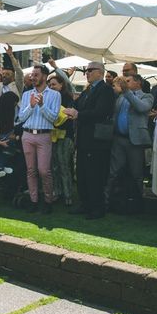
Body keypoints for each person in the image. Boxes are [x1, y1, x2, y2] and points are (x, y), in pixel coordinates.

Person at [65, 61, 115, 219]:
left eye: (90, 70)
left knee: (95, 175)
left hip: (97, 140)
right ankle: (85, 203)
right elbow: (77, 105)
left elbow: (101, 111)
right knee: (82, 173)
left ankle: (97, 207)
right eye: (86, 71)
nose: (87, 73)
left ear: (100, 72)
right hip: (84, 138)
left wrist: (79, 114)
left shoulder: (105, 90)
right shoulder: (87, 91)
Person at [105, 74, 153, 211]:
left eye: (128, 81)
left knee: (137, 173)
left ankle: (137, 202)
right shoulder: (121, 97)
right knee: (113, 171)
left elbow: (142, 108)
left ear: (138, 82)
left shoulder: (147, 97)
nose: (125, 83)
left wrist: (126, 91)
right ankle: (108, 200)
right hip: (119, 139)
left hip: (135, 141)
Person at [17, 64, 61, 213]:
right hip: (27, 135)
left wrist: (41, 105)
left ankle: (48, 201)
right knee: (31, 170)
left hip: (44, 135)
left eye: (36, 75)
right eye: (32, 75)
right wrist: (31, 106)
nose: (32, 77)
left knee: (44, 170)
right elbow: (21, 117)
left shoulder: (55, 95)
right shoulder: (26, 94)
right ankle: (34, 201)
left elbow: (54, 118)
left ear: (44, 76)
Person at [47, 71, 75, 206]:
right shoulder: (49, 98)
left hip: (66, 136)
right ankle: (57, 192)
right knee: (54, 166)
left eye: (54, 84)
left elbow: (67, 118)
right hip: (53, 136)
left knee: (64, 166)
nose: (51, 87)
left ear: (61, 85)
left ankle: (68, 196)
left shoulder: (67, 97)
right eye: (50, 85)